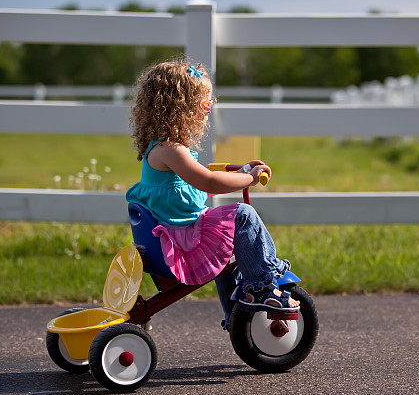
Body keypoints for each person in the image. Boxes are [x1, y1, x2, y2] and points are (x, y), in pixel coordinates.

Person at [125, 60, 299, 328]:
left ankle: (235, 316)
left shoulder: (161, 149)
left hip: (174, 236)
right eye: (206, 103)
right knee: (243, 215)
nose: (210, 108)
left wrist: (238, 169)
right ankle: (262, 287)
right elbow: (209, 182)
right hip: (181, 243)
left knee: (224, 248)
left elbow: (199, 176)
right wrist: (249, 177)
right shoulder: (172, 151)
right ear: (184, 108)